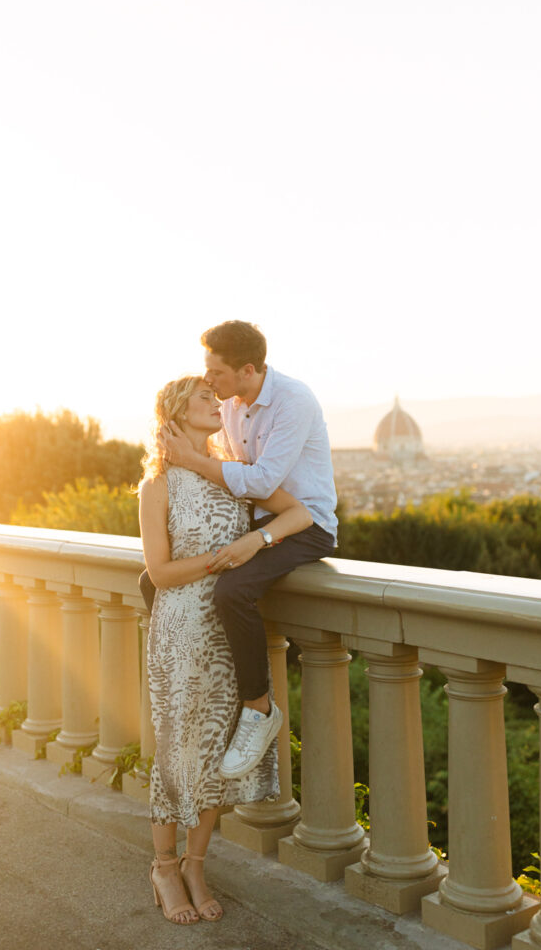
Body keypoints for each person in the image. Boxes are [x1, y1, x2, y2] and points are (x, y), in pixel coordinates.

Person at [139, 374, 313, 925]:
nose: (218, 405)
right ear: (174, 411)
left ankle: (196, 864)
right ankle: (164, 868)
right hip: (179, 632)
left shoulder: (234, 477)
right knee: (175, 752)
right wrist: (223, 560)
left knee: (214, 753)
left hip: (224, 638)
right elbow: (161, 573)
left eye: (218, 397)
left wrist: (254, 541)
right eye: (204, 398)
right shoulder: (155, 486)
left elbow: (300, 515)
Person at [154, 320, 338, 780]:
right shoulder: (234, 405)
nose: (210, 382)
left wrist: (193, 460)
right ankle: (195, 674)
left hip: (305, 525)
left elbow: (258, 481)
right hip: (255, 519)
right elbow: (238, 478)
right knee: (151, 580)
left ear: (248, 369)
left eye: (215, 372)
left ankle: (257, 708)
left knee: (233, 591)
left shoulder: (294, 401)